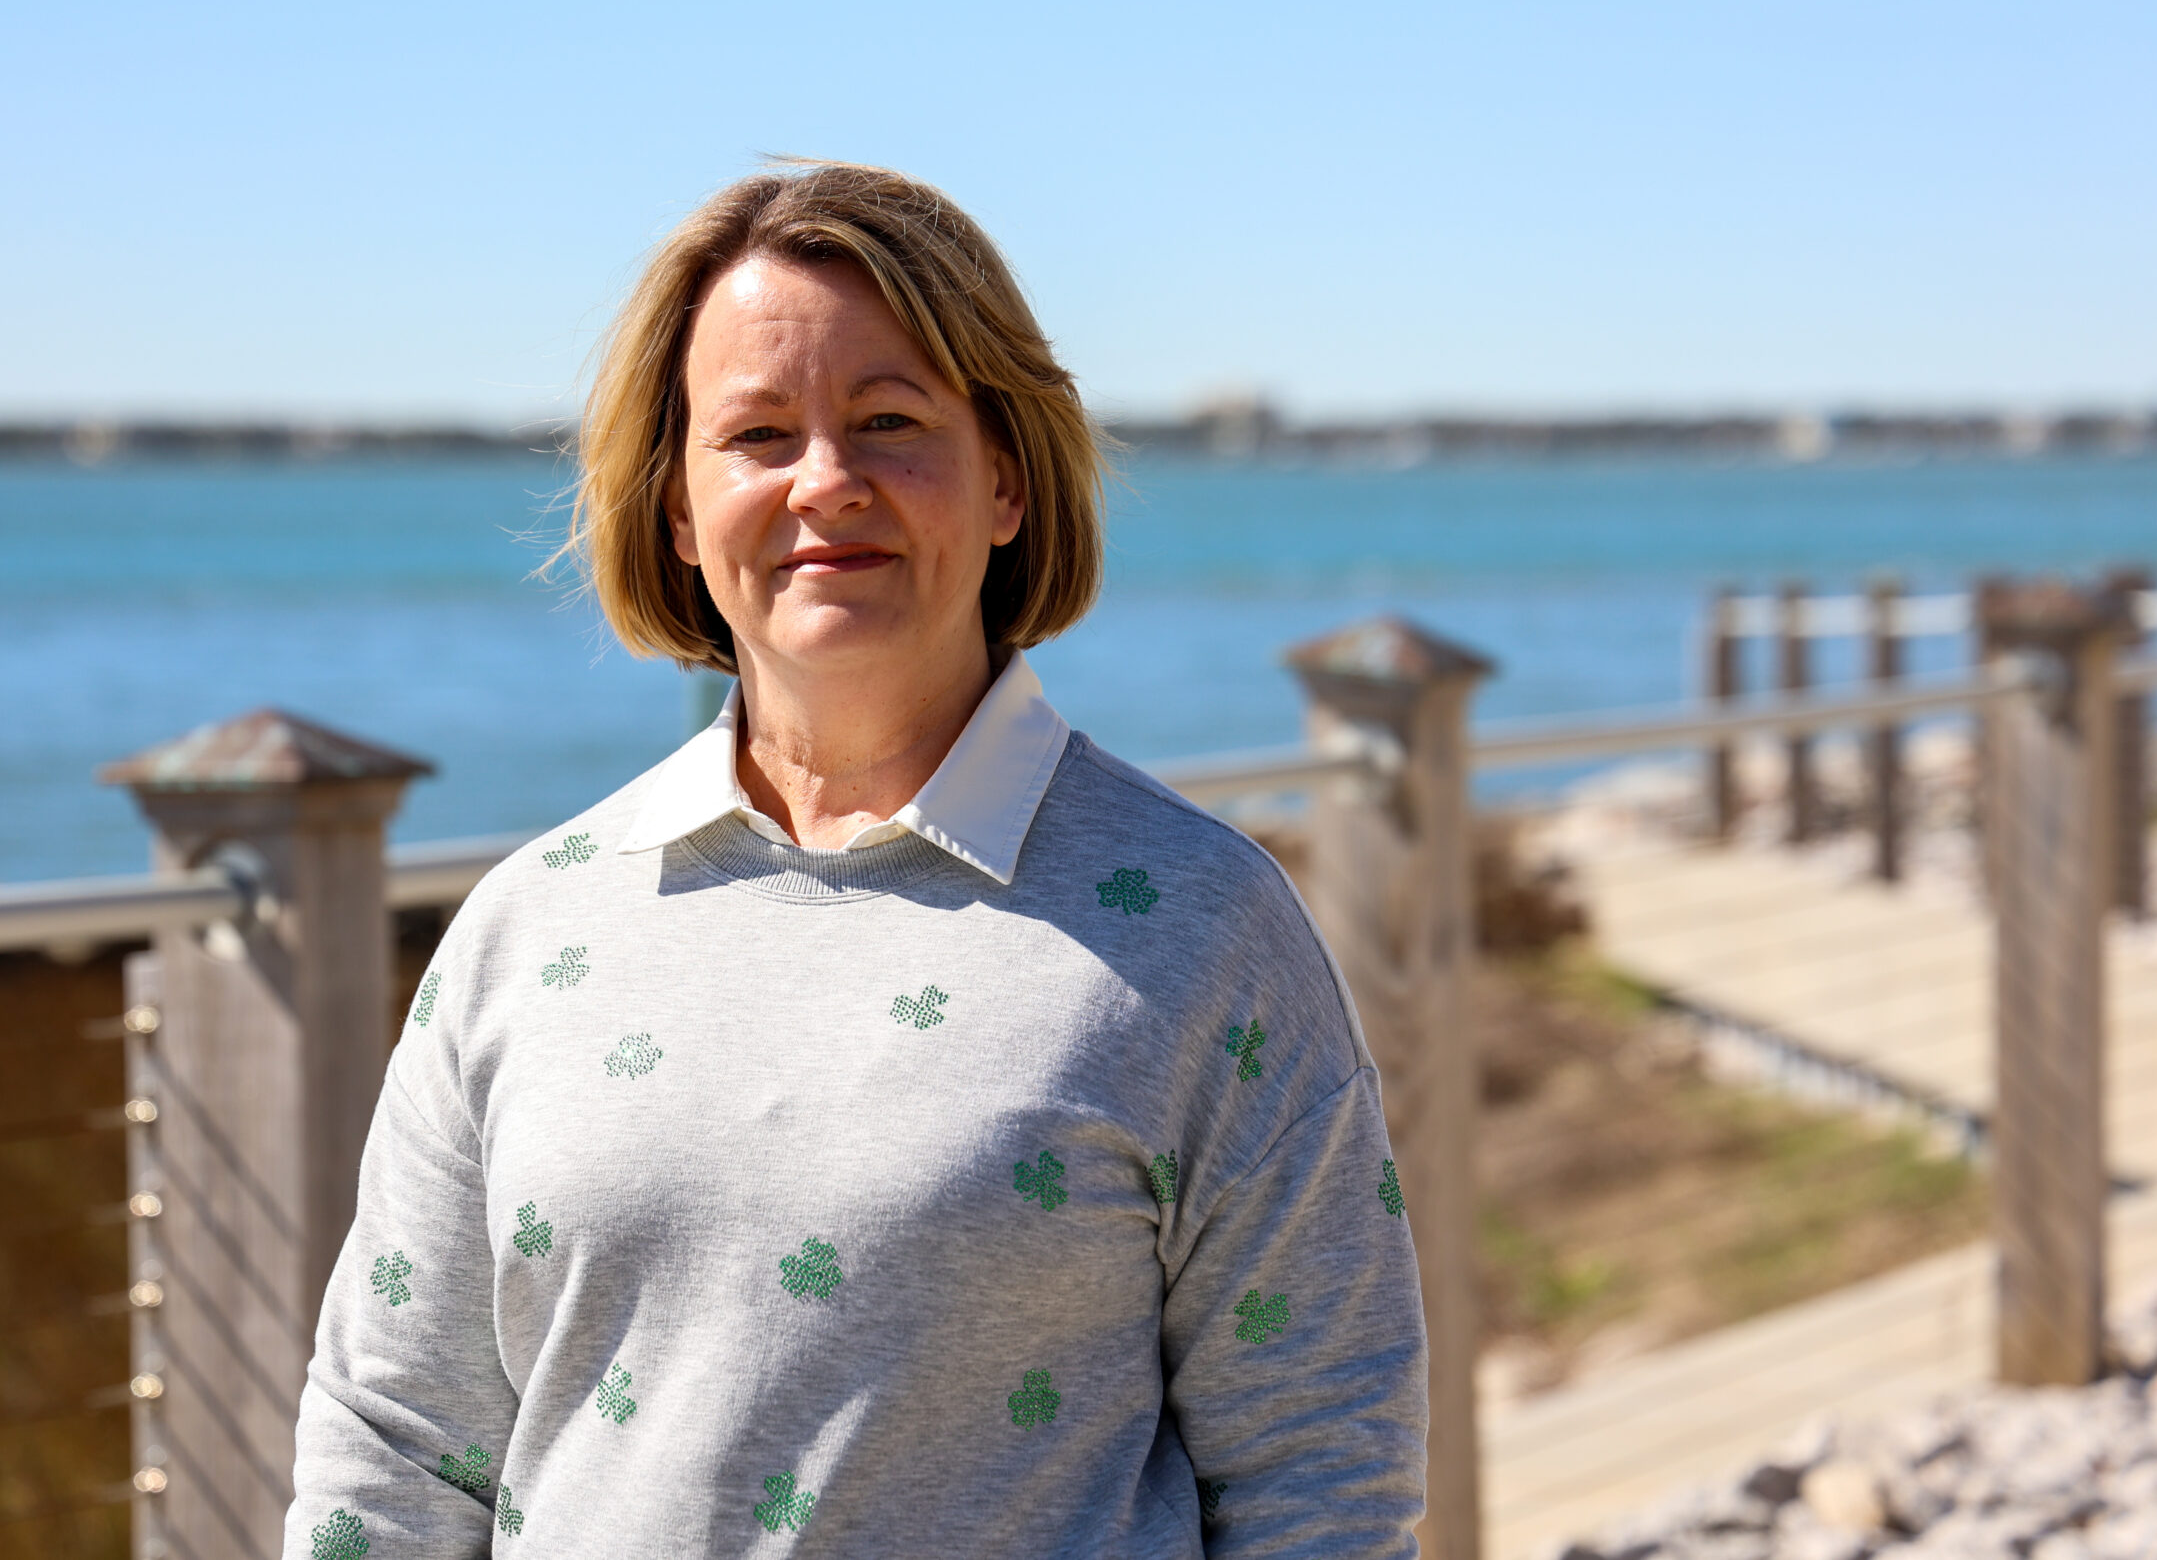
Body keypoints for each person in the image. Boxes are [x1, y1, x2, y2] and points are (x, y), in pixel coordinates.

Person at [283, 162, 1429, 1557]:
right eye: (758, 436)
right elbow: (392, 1451)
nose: (827, 483)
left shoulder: (1203, 927)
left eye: (889, 422)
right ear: (676, 513)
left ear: (1005, 477)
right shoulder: (528, 930)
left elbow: (1325, 1470)